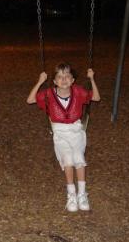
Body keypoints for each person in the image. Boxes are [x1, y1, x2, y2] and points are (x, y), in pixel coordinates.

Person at [27, 63, 100, 212]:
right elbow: (30, 100)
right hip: (60, 132)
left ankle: (82, 194)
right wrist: (40, 81)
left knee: (79, 157)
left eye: (67, 76)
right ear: (54, 81)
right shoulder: (48, 94)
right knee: (67, 159)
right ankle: (71, 194)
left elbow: (96, 98)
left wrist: (92, 79)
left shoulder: (78, 91)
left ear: (73, 80)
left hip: (76, 130)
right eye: (60, 77)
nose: (64, 79)